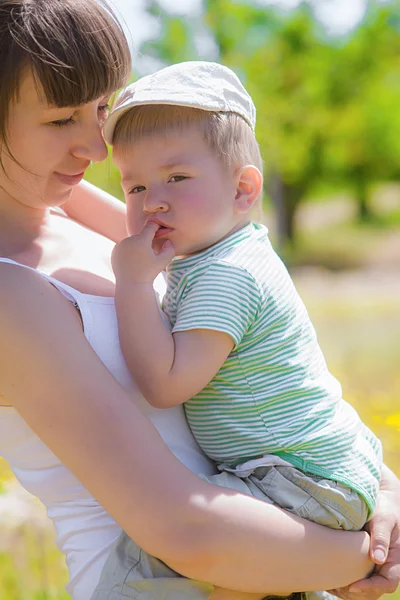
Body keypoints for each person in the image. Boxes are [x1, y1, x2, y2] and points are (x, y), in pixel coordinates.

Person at [0, 2, 398, 600]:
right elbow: (186, 530)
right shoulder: (10, 292)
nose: (98, 149)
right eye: (61, 120)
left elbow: (268, 361)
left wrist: (377, 491)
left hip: (275, 547)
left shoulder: (79, 207)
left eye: (102, 110)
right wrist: (365, 555)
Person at [83, 61, 380, 599]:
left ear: (243, 188)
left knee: (154, 559)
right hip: (313, 470)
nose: (154, 201)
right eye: (135, 187)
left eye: (177, 177)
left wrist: (130, 284)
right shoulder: (217, 250)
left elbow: (167, 383)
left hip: (296, 476)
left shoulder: (227, 274)